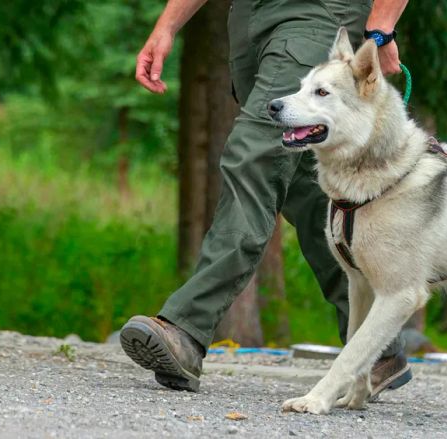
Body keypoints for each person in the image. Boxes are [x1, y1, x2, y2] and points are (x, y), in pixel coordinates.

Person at [120, 0, 412, 399]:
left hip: (318, 13)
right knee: (306, 190)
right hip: (249, 21)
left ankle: (186, 327)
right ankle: (376, 346)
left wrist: (381, 29)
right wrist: (167, 26)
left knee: (255, 157)